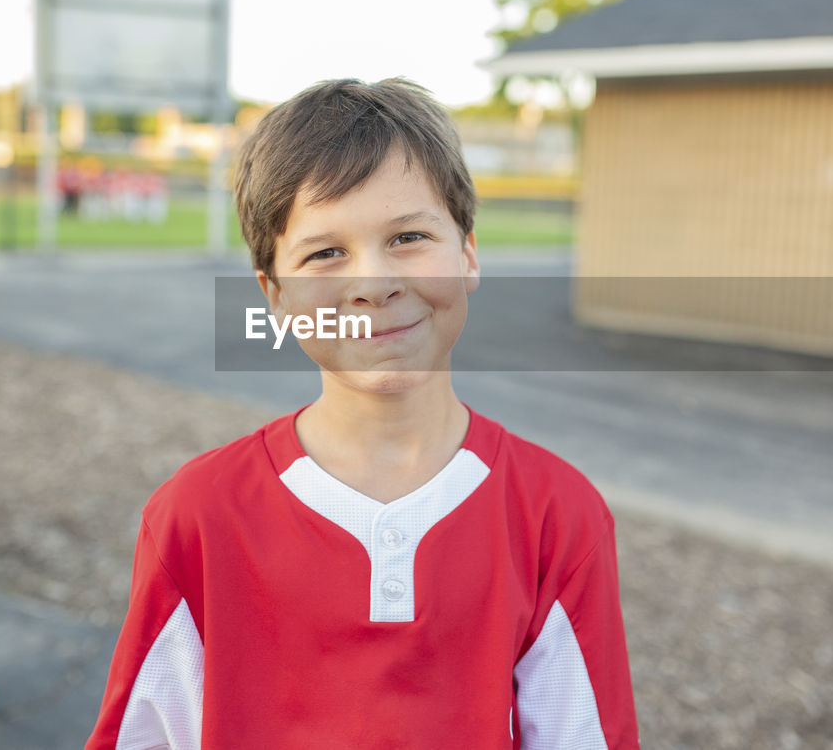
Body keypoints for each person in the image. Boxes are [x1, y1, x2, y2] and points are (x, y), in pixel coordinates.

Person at [85, 79, 640, 749]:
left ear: (467, 252)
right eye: (325, 253)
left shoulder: (558, 514)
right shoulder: (195, 516)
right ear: (275, 295)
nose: (374, 284)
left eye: (409, 236)